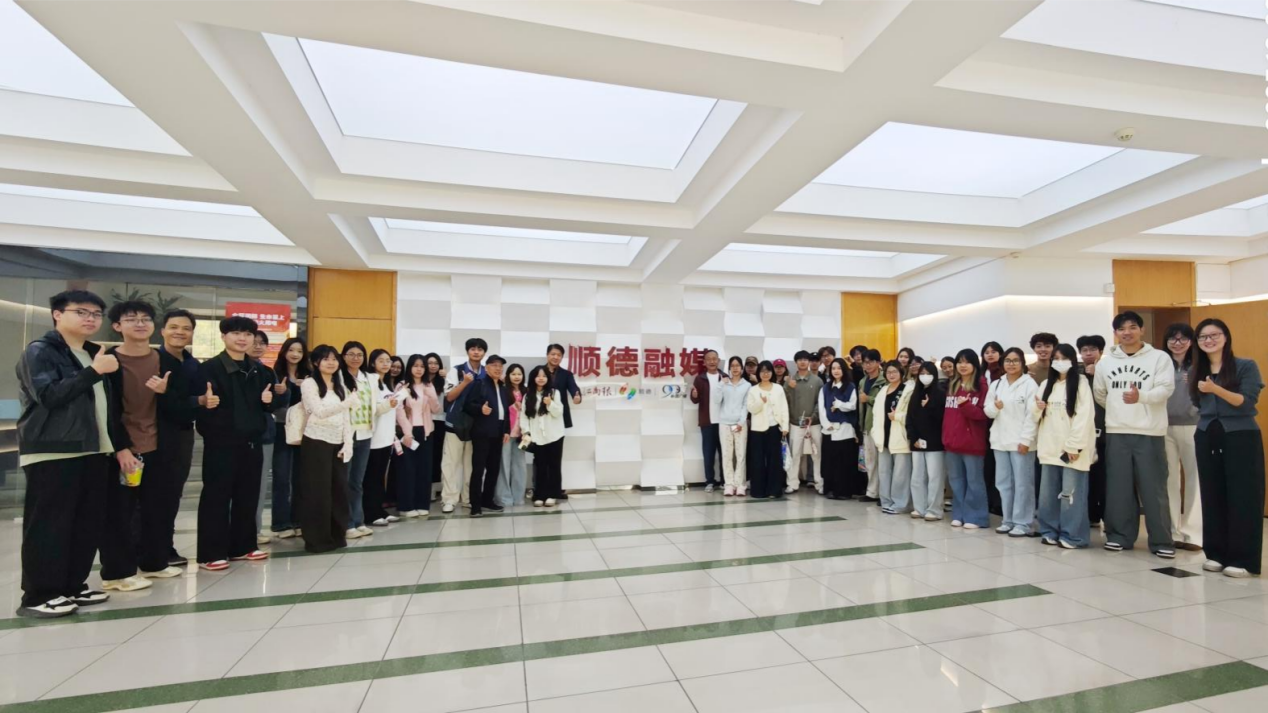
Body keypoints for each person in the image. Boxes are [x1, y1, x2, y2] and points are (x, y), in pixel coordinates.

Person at [15, 290, 115, 618]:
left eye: (96, 314)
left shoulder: (92, 353)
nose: (90, 319)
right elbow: (49, 396)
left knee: (85, 523)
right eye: (81, 312)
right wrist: (94, 372)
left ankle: (72, 585)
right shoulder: (40, 351)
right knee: (49, 525)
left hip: (93, 449)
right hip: (54, 450)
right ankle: (38, 595)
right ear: (58, 314)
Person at [99, 301, 180, 592]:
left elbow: (180, 406)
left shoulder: (165, 360)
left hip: (158, 446)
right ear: (117, 326)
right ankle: (117, 572)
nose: (140, 324)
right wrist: (120, 447)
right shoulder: (108, 361)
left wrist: (166, 392)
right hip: (122, 449)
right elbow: (105, 410)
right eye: (131, 319)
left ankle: (154, 562)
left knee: (156, 508)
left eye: (145, 319)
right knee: (119, 512)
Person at [194, 316, 277, 571]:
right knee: (217, 497)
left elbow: (268, 405)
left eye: (248, 334)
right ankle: (211, 553)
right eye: (236, 333)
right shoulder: (209, 368)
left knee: (247, 495)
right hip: (221, 442)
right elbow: (200, 405)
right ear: (223, 336)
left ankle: (243, 546)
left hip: (252, 441)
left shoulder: (259, 370)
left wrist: (269, 401)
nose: (242, 339)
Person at [1093, 311, 1176, 557]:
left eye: (1132, 327)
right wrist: (1119, 410)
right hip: (1117, 431)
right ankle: (1119, 536)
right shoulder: (1106, 363)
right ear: (1115, 333)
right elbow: (1100, 394)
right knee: (1118, 488)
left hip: (1149, 432)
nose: (1127, 332)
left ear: (1142, 330)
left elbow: (1166, 389)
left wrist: (1142, 398)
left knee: (1154, 489)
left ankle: (1161, 541)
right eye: (1121, 329)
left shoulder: (1159, 358)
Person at [1191, 318, 1264, 578]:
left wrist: (1215, 389)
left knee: (1243, 496)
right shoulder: (1197, 370)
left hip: (1240, 435)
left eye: (1214, 335)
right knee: (1212, 494)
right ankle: (1216, 553)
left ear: (1225, 337)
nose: (1208, 340)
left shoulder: (1245, 366)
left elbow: (1246, 402)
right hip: (1207, 434)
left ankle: (1242, 558)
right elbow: (1197, 402)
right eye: (1203, 336)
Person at [1033, 344, 1096, 548]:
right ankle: (1049, 530)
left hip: (1072, 450)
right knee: (1048, 495)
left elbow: (1084, 416)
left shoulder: (1081, 384)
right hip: (1049, 448)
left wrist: (1074, 446)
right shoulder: (1046, 385)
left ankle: (1073, 536)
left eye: (1064, 358)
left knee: (1071, 495)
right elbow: (1034, 416)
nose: (1060, 362)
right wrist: (1038, 408)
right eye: (1056, 358)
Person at [297, 345, 354, 554]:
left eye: (334, 359)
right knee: (317, 492)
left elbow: (346, 418)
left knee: (339, 491)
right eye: (326, 359)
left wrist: (348, 443)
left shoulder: (340, 385)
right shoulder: (309, 384)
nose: (331, 363)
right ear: (315, 362)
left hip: (338, 443)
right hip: (316, 441)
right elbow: (319, 411)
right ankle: (317, 540)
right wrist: (347, 403)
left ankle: (336, 535)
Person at [156, 309, 200, 566]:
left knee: (172, 493)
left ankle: (164, 547)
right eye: (174, 327)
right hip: (153, 434)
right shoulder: (153, 360)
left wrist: (197, 402)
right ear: (162, 331)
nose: (180, 332)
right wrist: (195, 401)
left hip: (183, 434)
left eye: (186, 328)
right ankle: (147, 549)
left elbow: (198, 400)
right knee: (151, 496)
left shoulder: (193, 364)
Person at [984, 347, 1039, 537]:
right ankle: (1007, 520)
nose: (1011, 364)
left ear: (1022, 363)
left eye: (1015, 360)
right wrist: (995, 407)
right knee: (1003, 483)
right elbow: (987, 411)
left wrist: (1026, 440)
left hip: (1021, 442)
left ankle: (1023, 522)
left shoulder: (1029, 384)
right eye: (1008, 360)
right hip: (1000, 441)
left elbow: (1032, 415)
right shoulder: (997, 384)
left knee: (1023, 484)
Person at [1162, 323, 1202, 551]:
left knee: (1195, 478)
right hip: (1164, 427)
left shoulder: (1199, 364)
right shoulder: (1160, 363)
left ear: (1191, 341)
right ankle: (1173, 531)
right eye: (1172, 339)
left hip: (1193, 426)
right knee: (1169, 479)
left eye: (1183, 339)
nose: (1177, 343)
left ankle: (1194, 534)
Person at [944, 349, 991, 530]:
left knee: (974, 481)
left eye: (967, 362)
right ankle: (959, 514)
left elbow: (983, 415)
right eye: (960, 362)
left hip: (972, 443)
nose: (963, 366)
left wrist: (966, 406)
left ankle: (977, 517)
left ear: (975, 365)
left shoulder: (981, 386)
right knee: (956, 481)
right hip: (952, 442)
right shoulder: (952, 385)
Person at [441, 339, 486, 513]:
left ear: (484, 353)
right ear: (467, 351)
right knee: (451, 464)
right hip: (456, 423)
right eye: (473, 349)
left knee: (472, 465)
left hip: (477, 425)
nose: (476, 352)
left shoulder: (486, 372)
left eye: (480, 349)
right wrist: (465, 382)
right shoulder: (457, 370)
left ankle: (469, 498)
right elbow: (449, 397)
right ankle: (449, 499)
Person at [270, 337, 308, 538]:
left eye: (299, 351)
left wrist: (306, 387)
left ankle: (298, 520)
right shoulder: (275, 374)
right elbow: (271, 405)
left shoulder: (308, 376)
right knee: (281, 477)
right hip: (281, 428)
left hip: (304, 430)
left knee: (300, 478)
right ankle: (280, 524)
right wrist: (282, 393)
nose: (295, 354)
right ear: (284, 352)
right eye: (291, 350)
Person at [464, 354, 511, 517]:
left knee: (493, 469)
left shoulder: (503, 387)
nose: (498, 368)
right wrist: (480, 409)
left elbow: (506, 412)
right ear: (487, 367)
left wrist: (507, 430)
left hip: (498, 433)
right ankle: (475, 505)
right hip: (482, 433)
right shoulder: (480, 383)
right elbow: (467, 405)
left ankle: (487, 500)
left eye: (500, 366)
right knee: (478, 470)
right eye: (494, 365)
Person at [396, 354, 442, 518]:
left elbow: (436, 409)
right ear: (410, 367)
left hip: (426, 431)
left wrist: (432, 395)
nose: (419, 369)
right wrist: (407, 432)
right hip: (408, 431)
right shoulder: (402, 385)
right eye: (415, 366)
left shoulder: (428, 385)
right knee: (408, 469)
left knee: (424, 468)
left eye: (422, 366)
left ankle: (422, 504)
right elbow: (399, 411)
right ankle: (406, 506)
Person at [340, 341, 375, 540]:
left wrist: (391, 403)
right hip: (346, 434)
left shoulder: (368, 378)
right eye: (351, 354)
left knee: (357, 481)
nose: (356, 358)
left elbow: (374, 407)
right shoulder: (338, 377)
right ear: (343, 356)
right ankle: (346, 524)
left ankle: (358, 520)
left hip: (365, 433)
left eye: (360, 355)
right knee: (344, 480)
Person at [365, 349, 402, 527]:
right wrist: (389, 404)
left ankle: (379, 509)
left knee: (380, 476)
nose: (386, 364)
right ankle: (370, 513)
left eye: (388, 361)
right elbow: (372, 409)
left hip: (386, 437)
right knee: (371, 477)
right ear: (373, 363)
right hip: (373, 437)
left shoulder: (386, 384)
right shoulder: (369, 382)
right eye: (381, 360)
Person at [872, 360, 914, 514]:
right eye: (888, 372)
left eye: (895, 371)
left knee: (900, 474)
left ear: (901, 373)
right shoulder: (883, 390)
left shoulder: (908, 390)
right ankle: (886, 501)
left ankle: (900, 504)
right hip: (883, 436)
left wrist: (898, 416)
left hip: (900, 436)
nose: (891, 375)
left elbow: (912, 414)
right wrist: (874, 433)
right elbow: (876, 413)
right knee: (884, 472)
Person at [521, 365, 565, 507]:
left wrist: (550, 403)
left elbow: (558, 412)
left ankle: (553, 495)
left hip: (555, 435)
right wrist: (526, 432)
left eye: (544, 376)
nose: (541, 378)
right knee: (540, 466)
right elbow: (524, 416)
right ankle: (540, 495)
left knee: (554, 466)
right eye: (538, 376)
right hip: (537, 437)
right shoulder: (528, 395)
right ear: (533, 378)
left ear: (548, 378)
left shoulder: (554, 393)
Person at [249, 330, 278, 546]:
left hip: (264, 434)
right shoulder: (225, 368)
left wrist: (280, 394)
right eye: (255, 342)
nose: (258, 346)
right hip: (236, 436)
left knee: (259, 485)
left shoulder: (267, 372)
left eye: (262, 343)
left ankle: (255, 528)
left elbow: (273, 404)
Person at [907, 361, 946, 520]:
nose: (925, 376)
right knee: (917, 476)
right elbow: (910, 417)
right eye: (922, 373)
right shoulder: (915, 393)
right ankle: (919, 507)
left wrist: (929, 406)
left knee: (935, 477)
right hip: (917, 442)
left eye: (928, 373)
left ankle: (935, 509)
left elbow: (941, 418)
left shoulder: (940, 393)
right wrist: (913, 437)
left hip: (934, 442)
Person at [1076, 335, 1108, 529]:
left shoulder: (1108, 370)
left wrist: (1098, 375)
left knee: (1103, 476)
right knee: (1085, 475)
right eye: (1084, 350)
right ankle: (1088, 515)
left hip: (1104, 432)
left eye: (1093, 349)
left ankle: (1103, 514)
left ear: (1101, 352)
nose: (1088, 353)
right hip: (1083, 433)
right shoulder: (1076, 372)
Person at [544, 344, 582, 500]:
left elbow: (574, 389)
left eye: (558, 355)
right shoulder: (539, 371)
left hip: (558, 419)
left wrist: (577, 396)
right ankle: (541, 490)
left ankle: (555, 490)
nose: (555, 357)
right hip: (540, 418)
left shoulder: (566, 374)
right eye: (553, 354)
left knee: (555, 456)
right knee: (541, 457)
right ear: (547, 355)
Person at [746, 361, 789, 499]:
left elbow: (784, 408)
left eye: (768, 371)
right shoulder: (753, 390)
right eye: (763, 371)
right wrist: (761, 401)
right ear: (758, 373)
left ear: (772, 373)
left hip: (775, 427)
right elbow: (751, 409)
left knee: (774, 460)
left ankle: (774, 490)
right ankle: (758, 491)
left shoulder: (778, 388)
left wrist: (785, 426)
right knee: (757, 460)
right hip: (757, 429)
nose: (765, 374)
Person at [819, 357, 859, 500]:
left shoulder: (850, 387)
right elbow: (821, 408)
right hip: (829, 429)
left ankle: (844, 491)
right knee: (830, 461)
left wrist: (839, 404)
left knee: (844, 462)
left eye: (839, 368)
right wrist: (826, 424)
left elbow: (853, 405)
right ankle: (830, 489)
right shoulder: (825, 387)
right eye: (833, 368)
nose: (836, 371)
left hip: (845, 429)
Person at [785, 350, 824, 494]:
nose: (803, 362)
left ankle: (819, 483)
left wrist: (813, 416)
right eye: (800, 359)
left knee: (817, 454)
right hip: (796, 424)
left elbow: (820, 402)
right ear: (795, 362)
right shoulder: (789, 380)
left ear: (809, 362)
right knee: (794, 454)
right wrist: (788, 386)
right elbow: (784, 401)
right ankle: (792, 483)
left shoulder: (817, 381)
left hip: (814, 424)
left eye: (805, 359)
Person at [714, 356, 752, 497]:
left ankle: (740, 484)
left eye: (737, 365)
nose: (735, 368)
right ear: (729, 368)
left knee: (740, 454)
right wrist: (720, 384)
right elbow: (716, 400)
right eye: (733, 366)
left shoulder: (746, 385)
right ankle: (729, 484)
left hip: (739, 424)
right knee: (727, 455)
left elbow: (745, 405)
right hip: (725, 423)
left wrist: (741, 422)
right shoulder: (724, 383)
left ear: (742, 368)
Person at [690, 350, 724, 492]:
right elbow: (695, 400)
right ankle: (709, 481)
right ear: (704, 362)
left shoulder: (725, 377)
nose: (712, 361)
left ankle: (724, 481)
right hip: (707, 422)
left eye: (714, 359)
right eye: (709, 359)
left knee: (724, 453)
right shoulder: (700, 378)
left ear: (718, 361)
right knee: (708, 453)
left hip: (724, 422)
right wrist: (694, 395)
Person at [497, 363, 528, 507]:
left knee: (520, 466)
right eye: (513, 374)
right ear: (508, 376)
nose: (516, 377)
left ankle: (518, 497)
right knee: (504, 466)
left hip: (522, 435)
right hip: (507, 434)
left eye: (519, 374)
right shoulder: (503, 391)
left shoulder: (527, 391)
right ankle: (504, 498)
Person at [857, 349, 884, 503]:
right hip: (866, 425)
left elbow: (884, 401)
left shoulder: (884, 380)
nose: (867, 365)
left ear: (878, 362)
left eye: (870, 362)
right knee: (869, 460)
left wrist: (869, 399)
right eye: (865, 363)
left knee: (882, 461)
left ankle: (883, 493)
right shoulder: (863, 381)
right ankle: (872, 491)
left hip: (879, 425)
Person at [424, 353, 447, 501]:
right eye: (430, 363)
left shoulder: (443, 381)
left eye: (436, 363)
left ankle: (433, 489)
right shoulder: (420, 381)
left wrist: (446, 378)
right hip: (422, 421)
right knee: (424, 456)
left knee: (436, 455)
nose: (433, 366)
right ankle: (423, 486)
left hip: (439, 421)